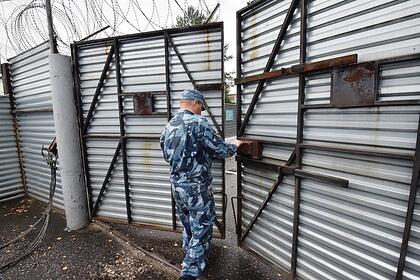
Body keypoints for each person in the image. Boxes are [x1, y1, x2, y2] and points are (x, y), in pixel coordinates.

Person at [160, 89, 241, 280]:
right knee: (202, 227)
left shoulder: (169, 125)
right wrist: (235, 145)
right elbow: (221, 150)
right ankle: (189, 272)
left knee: (188, 224)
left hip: (177, 186)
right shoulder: (198, 123)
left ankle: (189, 254)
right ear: (196, 103)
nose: (202, 111)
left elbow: (166, 155)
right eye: (201, 107)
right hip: (196, 189)